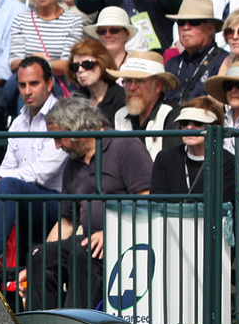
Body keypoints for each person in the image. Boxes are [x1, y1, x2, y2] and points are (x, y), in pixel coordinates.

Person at [26, 96, 153, 311]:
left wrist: (111, 232)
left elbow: (146, 199)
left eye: (60, 138)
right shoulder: (72, 164)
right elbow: (67, 222)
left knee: (82, 253)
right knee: (41, 257)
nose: (57, 146)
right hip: (87, 241)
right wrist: (43, 251)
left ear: (77, 128)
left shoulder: (125, 146)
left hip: (127, 239)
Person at [0, 58, 68, 269]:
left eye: (34, 84)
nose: (27, 91)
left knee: (7, 186)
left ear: (49, 84)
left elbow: (44, 172)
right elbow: (7, 166)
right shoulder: (18, 121)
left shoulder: (62, 117)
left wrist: (0, 182)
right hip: (25, 199)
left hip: (59, 202)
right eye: (22, 85)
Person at [8, 0, 83, 83]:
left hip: (58, 82)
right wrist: (41, 62)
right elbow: (14, 64)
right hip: (26, 81)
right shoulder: (21, 20)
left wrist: (37, 62)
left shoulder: (73, 21)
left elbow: (67, 65)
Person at [151, 96, 236, 197]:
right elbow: (158, 202)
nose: (189, 127)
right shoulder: (165, 158)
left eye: (198, 123)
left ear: (214, 126)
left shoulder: (228, 162)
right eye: (184, 122)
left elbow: (223, 203)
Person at [112, 52, 180, 157]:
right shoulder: (120, 116)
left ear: (158, 85)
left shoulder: (172, 115)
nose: (132, 87)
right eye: (128, 81)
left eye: (139, 81)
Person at [163, 0, 229, 105]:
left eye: (194, 22)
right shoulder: (172, 64)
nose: (186, 27)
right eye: (181, 22)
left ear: (210, 28)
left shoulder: (223, 62)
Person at [68, 37, 125, 127]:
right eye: (75, 66)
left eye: (87, 64)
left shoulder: (121, 97)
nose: (80, 70)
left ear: (103, 63)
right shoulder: (76, 98)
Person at [88, 6, 139, 72]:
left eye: (114, 30)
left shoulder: (136, 66)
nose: (107, 35)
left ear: (126, 34)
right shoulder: (91, 65)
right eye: (102, 31)